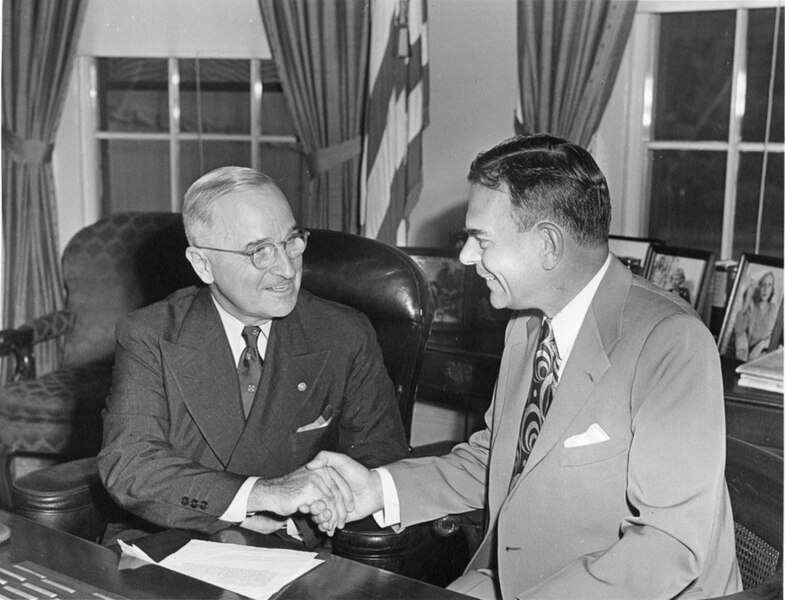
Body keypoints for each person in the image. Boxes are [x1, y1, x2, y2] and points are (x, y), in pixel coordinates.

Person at [308, 134, 741, 599]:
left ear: (548, 246)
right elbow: (497, 462)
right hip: (511, 581)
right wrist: (376, 488)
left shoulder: (670, 342)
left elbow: (668, 548)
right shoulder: (526, 326)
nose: (466, 257)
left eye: (481, 239)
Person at [98, 166, 408, 546]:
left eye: (292, 240)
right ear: (203, 264)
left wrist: (328, 504)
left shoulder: (344, 333)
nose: (286, 267)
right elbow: (131, 465)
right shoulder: (149, 335)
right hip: (171, 539)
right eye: (259, 251)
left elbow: (380, 456)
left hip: (293, 544)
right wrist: (262, 494)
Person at [733, 270, 778, 362]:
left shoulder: (774, 309)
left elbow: (775, 337)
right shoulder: (752, 307)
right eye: (763, 285)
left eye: (769, 285)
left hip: (764, 353)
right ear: (759, 287)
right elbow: (738, 330)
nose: (765, 289)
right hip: (747, 354)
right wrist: (747, 300)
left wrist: (762, 344)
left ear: (772, 289)